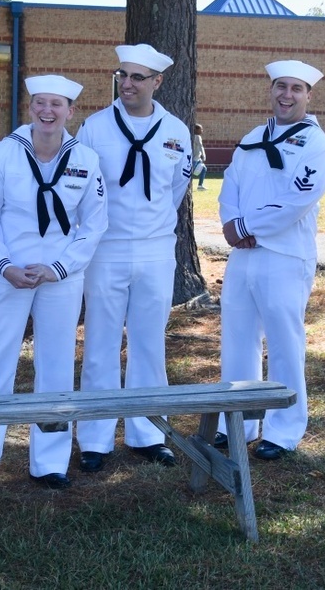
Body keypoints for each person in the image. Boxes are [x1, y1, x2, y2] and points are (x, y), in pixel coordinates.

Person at [0, 75, 107, 493]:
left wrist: (59, 267)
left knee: (56, 364)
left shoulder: (86, 159)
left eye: (57, 104)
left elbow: (93, 226)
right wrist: (5, 265)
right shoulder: (3, 154)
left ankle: (50, 461)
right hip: (9, 273)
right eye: (40, 102)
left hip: (60, 276)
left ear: (71, 111)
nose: (48, 111)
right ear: (31, 107)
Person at [76, 43, 192, 472]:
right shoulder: (93, 127)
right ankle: (95, 437)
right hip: (106, 249)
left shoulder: (175, 131)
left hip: (156, 249)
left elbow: (175, 192)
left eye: (137, 77)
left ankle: (148, 433)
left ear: (157, 82)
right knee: (101, 343)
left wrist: (152, 230)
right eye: (121, 76)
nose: (126, 84)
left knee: (149, 343)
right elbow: (85, 191)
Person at [215, 60, 325, 460]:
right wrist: (232, 222)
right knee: (237, 339)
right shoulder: (254, 135)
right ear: (271, 90)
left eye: (296, 89)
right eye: (280, 86)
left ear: (308, 95)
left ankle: (283, 431)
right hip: (244, 254)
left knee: (285, 344)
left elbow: (298, 200)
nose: (286, 95)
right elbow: (229, 183)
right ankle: (238, 421)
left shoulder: (317, 144)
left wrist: (248, 224)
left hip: (284, 256)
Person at [192, 123, 207, 190]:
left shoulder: (192, 136)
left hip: (197, 158)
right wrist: (204, 155)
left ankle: (200, 186)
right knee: (191, 173)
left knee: (204, 169)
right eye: (201, 129)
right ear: (196, 130)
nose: (202, 130)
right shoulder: (197, 137)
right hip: (195, 158)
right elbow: (201, 146)